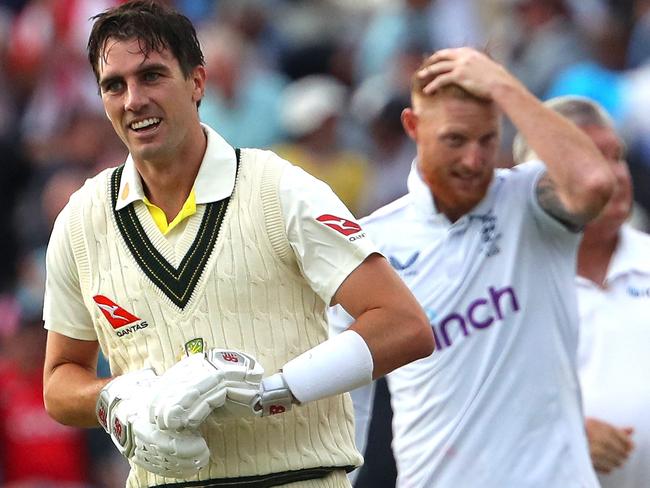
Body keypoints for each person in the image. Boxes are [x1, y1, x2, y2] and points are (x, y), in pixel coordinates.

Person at [41, 2, 434, 487]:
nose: (133, 100)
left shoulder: (280, 189)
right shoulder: (81, 222)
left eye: (152, 76)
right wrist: (117, 399)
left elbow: (405, 325)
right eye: (114, 85)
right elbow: (60, 381)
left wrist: (275, 391)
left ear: (197, 82)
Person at [329, 47, 615, 487]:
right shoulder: (371, 243)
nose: (474, 161)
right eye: (455, 140)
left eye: (487, 140)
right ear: (413, 126)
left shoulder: (530, 200)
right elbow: (348, 405)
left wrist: (504, 85)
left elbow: (594, 183)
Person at [514, 95, 650, 488]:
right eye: (591, 157)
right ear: (538, 175)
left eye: (616, 155)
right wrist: (562, 436)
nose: (614, 175)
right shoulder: (507, 282)